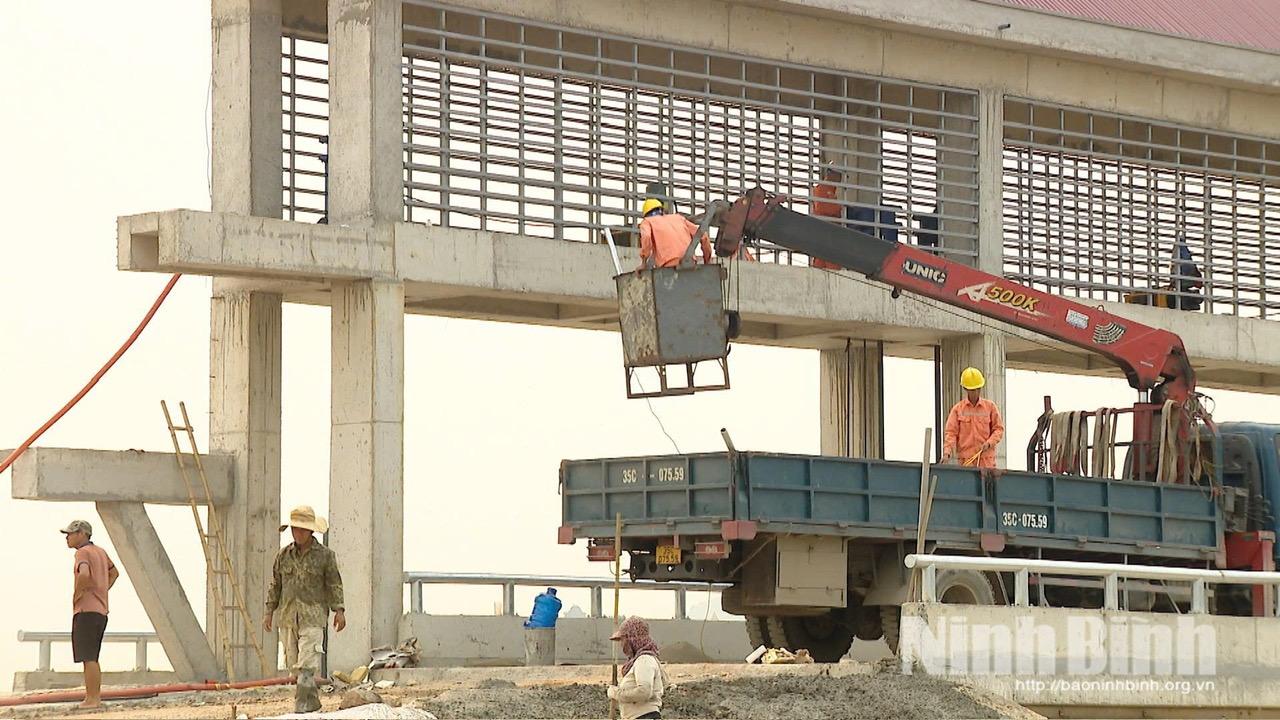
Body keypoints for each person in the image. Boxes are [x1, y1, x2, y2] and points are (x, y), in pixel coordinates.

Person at [264, 505, 345, 677]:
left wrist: (339, 610)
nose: (298, 533)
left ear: (310, 531)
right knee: (293, 669)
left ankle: (306, 702)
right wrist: (269, 611)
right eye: (295, 529)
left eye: (302, 530)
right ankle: (300, 700)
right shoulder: (283, 555)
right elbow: (276, 585)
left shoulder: (325, 556)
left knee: (307, 667)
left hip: (313, 617)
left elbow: (334, 584)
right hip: (288, 618)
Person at [62, 519, 118, 709]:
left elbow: (84, 574)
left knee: (88, 657)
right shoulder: (100, 552)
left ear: (82, 534)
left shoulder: (83, 552)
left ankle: (92, 699)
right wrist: (102, 590)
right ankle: (94, 697)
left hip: (86, 610)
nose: (67, 538)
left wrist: (78, 594)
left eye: (70, 534)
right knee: (92, 655)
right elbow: (114, 573)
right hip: (101, 610)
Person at [942, 367, 1005, 469]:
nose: (975, 392)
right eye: (972, 390)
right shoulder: (958, 409)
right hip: (966, 462)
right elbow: (951, 433)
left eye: (977, 389)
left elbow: (998, 429)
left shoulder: (990, 407)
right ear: (966, 389)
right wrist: (947, 453)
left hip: (986, 462)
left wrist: (989, 443)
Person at [607, 616, 669, 720]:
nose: (621, 645)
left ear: (631, 639)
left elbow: (644, 691)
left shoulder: (644, 660)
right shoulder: (639, 661)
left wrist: (616, 693)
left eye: (622, 640)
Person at [637, 198, 711, 269]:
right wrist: (707, 260)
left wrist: (643, 262)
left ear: (646, 215)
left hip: (668, 266)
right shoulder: (679, 218)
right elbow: (703, 235)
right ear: (662, 211)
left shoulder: (647, 222)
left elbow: (646, 236)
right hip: (690, 264)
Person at [810, 167, 844, 271]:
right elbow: (825, 209)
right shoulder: (823, 189)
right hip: (827, 233)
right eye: (839, 175)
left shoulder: (829, 191)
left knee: (822, 263)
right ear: (832, 174)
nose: (841, 178)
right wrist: (839, 210)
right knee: (831, 262)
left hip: (826, 233)